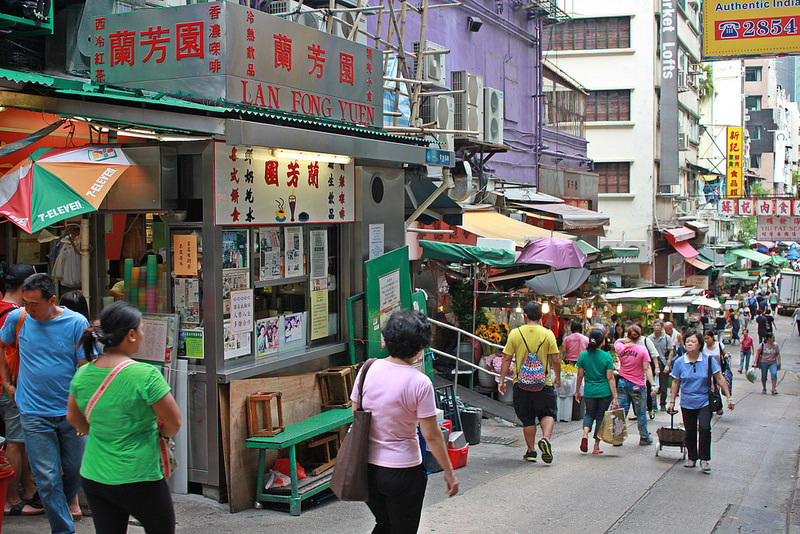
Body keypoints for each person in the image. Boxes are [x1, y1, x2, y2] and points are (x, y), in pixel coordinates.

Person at [67, 301, 180, 533]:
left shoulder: (83, 374)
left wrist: (100, 429)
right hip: (138, 473)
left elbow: (74, 418)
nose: (143, 334)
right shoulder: (145, 375)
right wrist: (162, 435)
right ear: (130, 335)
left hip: (95, 473)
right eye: (141, 329)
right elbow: (174, 422)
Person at [350, 310, 458, 533]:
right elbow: (431, 434)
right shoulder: (420, 382)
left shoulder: (367, 368)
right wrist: (448, 470)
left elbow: (356, 412)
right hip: (403, 470)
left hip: (367, 469)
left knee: (384, 524)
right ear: (419, 347)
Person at [0, 273, 89, 534]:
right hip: (33, 411)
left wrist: (85, 408)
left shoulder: (76, 323)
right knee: (47, 478)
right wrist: (6, 380)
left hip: (70, 412)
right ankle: (63, 530)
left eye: (34, 304)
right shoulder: (18, 318)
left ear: (52, 300)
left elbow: (86, 367)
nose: (28, 309)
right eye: (25, 302)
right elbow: (2, 342)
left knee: (74, 470)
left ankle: (60, 507)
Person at [0, 264, 41, 516]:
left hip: (7, 386)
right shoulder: (16, 316)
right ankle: (11, 499)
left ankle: (27, 490)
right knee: (15, 442)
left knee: (18, 441)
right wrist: (9, 384)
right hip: (10, 389)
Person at [499, 301, 561, 463]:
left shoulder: (515, 333)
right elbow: (555, 358)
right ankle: (545, 439)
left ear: (525, 315)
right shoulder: (548, 334)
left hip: (521, 383)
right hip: (543, 383)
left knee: (527, 418)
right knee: (548, 413)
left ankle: (531, 451)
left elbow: (506, 358)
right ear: (541, 316)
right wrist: (558, 377)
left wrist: (502, 380)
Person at [667, 329, 734, 473]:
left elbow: (720, 378)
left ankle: (704, 459)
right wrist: (672, 401)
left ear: (700, 344)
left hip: (704, 401)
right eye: (687, 341)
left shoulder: (708, 360)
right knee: (690, 431)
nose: (689, 344)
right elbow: (675, 382)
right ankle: (692, 457)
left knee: (705, 428)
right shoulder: (679, 362)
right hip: (686, 402)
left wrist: (729, 397)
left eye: (693, 341)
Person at [57, 290, 92, 522]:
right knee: (76, 457)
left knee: (62, 461)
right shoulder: (87, 330)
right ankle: (76, 502)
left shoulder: (61, 327)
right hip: (78, 401)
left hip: (64, 401)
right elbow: (87, 367)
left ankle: (72, 503)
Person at [574, 329, 618, 454]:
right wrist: (615, 396)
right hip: (604, 392)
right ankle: (596, 446)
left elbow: (580, 375)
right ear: (602, 341)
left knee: (589, 414)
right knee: (600, 417)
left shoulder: (583, 356)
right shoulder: (607, 356)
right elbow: (610, 378)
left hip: (589, 391)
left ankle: (585, 434)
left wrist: (577, 391)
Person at [613, 325, 658, 445]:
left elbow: (616, 341)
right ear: (640, 336)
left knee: (621, 411)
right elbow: (647, 368)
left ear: (627, 335)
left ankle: (618, 438)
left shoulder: (620, 348)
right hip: (637, 386)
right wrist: (653, 384)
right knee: (641, 412)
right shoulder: (642, 350)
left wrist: (624, 340)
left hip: (622, 383)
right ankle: (644, 437)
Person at [646, 319, 673, 412]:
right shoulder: (649, 338)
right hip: (652, 363)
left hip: (663, 362)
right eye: (655, 326)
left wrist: (668, 364)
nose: (656, 328)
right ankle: (653, 404)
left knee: (663, 384)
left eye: (658, 326)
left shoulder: (666, 338)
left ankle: (663, 403)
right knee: (652, 383)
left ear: (662, 327)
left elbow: (671, 351)